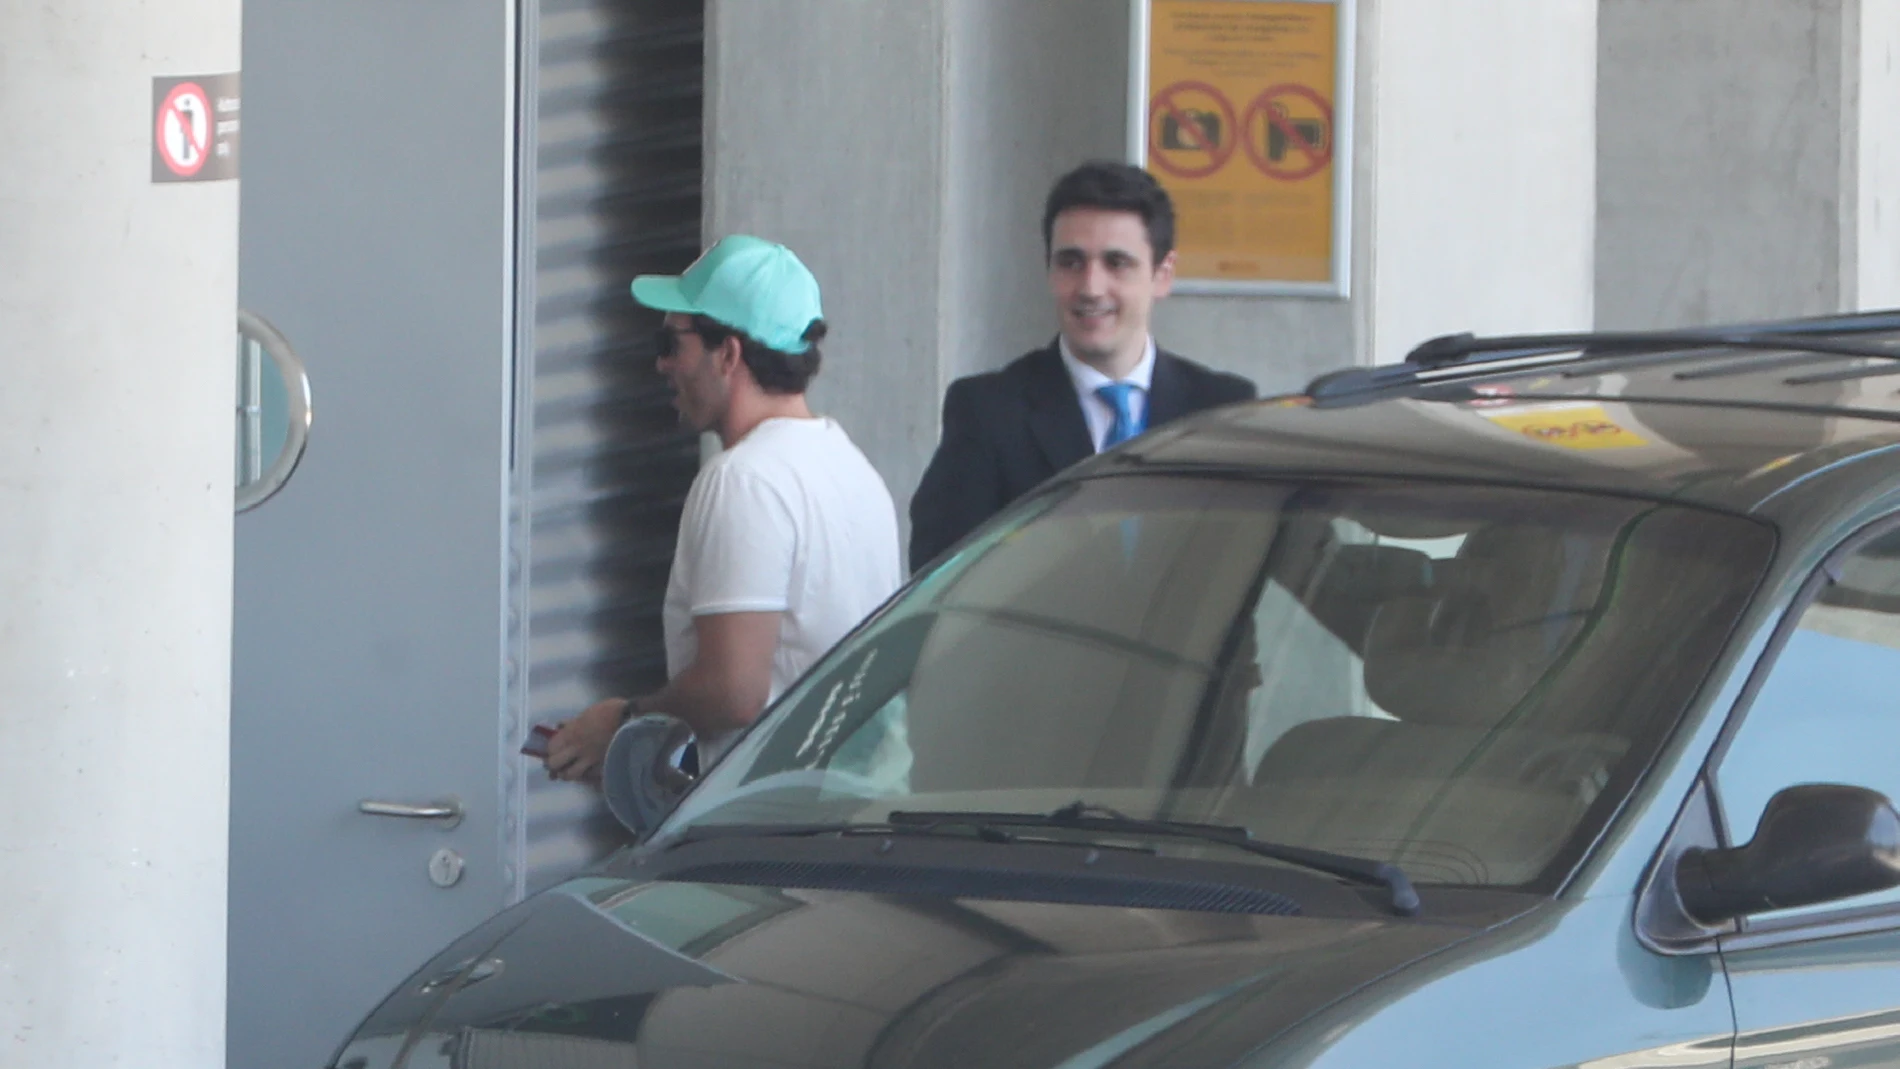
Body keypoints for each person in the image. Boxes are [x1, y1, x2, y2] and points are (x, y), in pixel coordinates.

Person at [545, 234, 903, 783]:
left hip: (778, 817)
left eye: (671, 343)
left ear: (729, 355)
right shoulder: (852, 468)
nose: (662, 365)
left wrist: (619, 722)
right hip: (857, 804)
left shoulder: (743, 479)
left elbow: (733, 693)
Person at [907, 160, 1257, 571]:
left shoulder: (1222, 411)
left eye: (1117, 263)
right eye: (1071, 263)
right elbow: (939, 576)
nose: (1091, 288)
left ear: (1162, 275)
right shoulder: (989, 412)